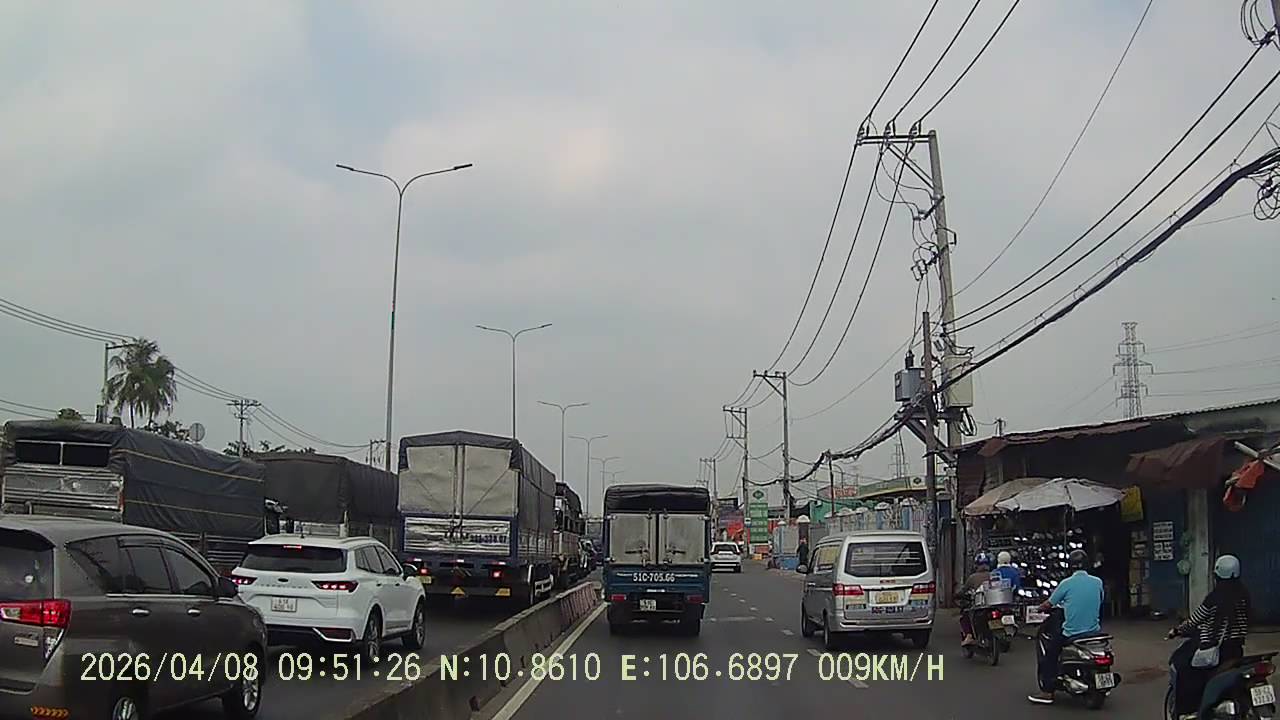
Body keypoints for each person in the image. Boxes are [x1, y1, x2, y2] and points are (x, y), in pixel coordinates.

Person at [1168, 554, 1250, 718]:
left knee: (1182, 665)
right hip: (1236, 650)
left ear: (1217, 576)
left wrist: (1177, 630)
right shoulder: (1244, 596)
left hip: (1216, 652)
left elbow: (1194, 621)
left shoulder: (1214, 598)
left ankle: (1188, 711)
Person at [1028, 549, 1103, 705]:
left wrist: (1038, 609)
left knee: (1050, 655)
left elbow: (1049, 604)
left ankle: (1047, 692)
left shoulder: (1066, 583)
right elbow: (1100, 599)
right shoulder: (1098, 582)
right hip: (1094, 632)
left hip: (1072, 632)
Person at [959, 552, 994, 646]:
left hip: (979, 604)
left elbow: (963, 590)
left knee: (965, 615)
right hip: (994, 603)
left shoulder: (972, 577)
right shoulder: (994, 575)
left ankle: (969, 636)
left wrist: (957, 595)